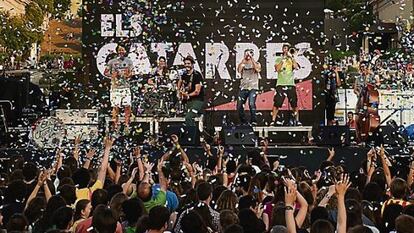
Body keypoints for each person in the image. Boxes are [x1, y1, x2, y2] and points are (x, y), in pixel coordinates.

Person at [104, 44, 134, 134]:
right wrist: (112, 75)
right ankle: (116, 125)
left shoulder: (129, 61)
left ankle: (126, 125)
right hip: (115, 88)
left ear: (125, 51)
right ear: (117, 51)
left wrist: (128, 75)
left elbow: (131, 73)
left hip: (125, 87)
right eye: (120, 50)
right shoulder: (112, 62)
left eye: (123, 50)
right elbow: (105, 72)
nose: (121, 51)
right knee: (115, 107)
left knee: (127, 106)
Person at [272, 44, 301, 126]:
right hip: (280, 84)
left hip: (290, 84)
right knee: (277, 103)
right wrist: (283, 59)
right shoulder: (278, 59)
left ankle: (297, 120)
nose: (286, 50)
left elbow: (296, 67)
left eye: (287, 49)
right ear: (282, 50)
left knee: (294, 104)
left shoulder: (292, 60)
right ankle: (273, 120)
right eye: (285, 48)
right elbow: (277, 69)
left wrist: (291, 57)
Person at [354, 61, 381, 142]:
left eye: (364, 66)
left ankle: (372, 137)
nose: (362, 68)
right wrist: (359, 94)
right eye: (361, 67)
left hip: (371, 103)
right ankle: (359, 137)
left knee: (372, 117)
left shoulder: (373, 76)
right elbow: (355, 89)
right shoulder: (358, 78)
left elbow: (378, 84)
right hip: (361, 102)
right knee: (358, 118)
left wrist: (371, 77)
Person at [177, 55, 204, 126]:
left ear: (192, 64)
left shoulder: (197, 75)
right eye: (185, 64)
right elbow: (180, 82)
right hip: (188, 102)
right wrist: (179, 92)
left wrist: (187, 95)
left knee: (188, 117)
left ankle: (192, 135)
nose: (186, 65)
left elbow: (197, 91)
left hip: (197, 101)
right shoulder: (184, 74)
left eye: (188, 63)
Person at [237, 49, 261, 125]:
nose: (248, 55)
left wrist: (252, 59)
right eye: (246, 54)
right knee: (239, 105)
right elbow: (239, 70)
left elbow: (257, 69)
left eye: (249, 54)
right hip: (243, 87)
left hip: (253, 87)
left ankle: (254, 121)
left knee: (251, 103)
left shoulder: (257, 63)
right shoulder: (242, 63)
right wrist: (244, 59)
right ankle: (244, 122)